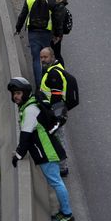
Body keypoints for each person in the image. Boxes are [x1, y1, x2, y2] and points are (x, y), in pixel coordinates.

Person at [8, 77, 74, 221]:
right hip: (47, 150)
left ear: (25, 93)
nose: (16, 96)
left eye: (18, 93)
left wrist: (18, 155)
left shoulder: (30, 110)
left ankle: (67, 213)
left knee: (56, 182)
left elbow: (25, 136)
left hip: (46, 152)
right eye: (14, 94)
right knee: (56, 181)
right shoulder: (29, 105)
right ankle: (66, 212)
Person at [15, 0, 57, 84]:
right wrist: (57, 33)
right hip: (46, 33)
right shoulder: (51, 0)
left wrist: (18, 28)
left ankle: (38, 85)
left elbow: (23, 15)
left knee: (36, 59)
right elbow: (56, 18)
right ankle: (46, 82)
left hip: (33, 32)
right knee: (46, 59)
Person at [39, 47, 69, 177]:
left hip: (55, 113)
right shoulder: (51, 70)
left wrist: (52, 115)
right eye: (41, 57)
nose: (43, 60)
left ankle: (62, 168)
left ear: (52, 57)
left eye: (45, 57)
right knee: (56, 138)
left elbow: (56, 96)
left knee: (59, 139)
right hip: (55, 111)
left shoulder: (54, 74)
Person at [50, 0, 68, 66]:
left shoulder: (59, 5)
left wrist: (58, 36)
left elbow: (59, 22)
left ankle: (61, 71)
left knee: (56, 54)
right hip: (52, 32)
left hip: (56, 35)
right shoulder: (52, 2)